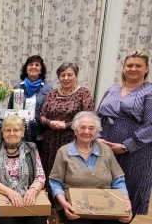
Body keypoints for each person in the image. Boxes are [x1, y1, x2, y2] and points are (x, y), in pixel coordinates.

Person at [49, 111, 132, 224]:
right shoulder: (64, 152)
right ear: (75, 130)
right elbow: (55, 182)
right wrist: (64, 204)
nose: (87, 131)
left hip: (106, 206)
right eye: (82, 127)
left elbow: (118, 180)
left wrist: (126, 202)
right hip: (76, 207)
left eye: (91, 128)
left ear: (97, 131)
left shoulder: (106, 150)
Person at [96, 50, 152, 217]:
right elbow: (98, 116)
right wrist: (98, 137)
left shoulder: (149, 92)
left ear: (146, 69)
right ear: (123, 68)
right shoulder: (112, 90)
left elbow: (151, 125)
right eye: (129, 65)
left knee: (129, 187)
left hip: (135, 151)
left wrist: (125, 146)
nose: (133, 69)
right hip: (105, 148)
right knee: (105, 184)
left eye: (138, 66)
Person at [39, 62, 94, 192]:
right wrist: (50, 123)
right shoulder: (52, 93)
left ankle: (68, 201)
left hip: (72, 140)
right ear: (58, 77)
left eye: (70, 74)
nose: (66, 78)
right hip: (51, 141)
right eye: (62, 75)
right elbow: (42, 115)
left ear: (76, 76)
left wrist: (67, 125)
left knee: (70, 170)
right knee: (51, 170)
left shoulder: (83, 93)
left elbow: (88, 116)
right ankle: (51, 200)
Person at [0, 115, 47, 224]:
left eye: (16, 130)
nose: (12, 133)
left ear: (22, 132)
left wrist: (33, 190)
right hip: (2, 195)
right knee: (7, 222)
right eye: (8, 130)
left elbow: (40, 175)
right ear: (3, 133)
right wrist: (9, 192)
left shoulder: (31, 148)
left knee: (38, 221)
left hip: (28, 195)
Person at [7, 55, 53, 151]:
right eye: (31, 64)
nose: (33, 67)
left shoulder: (48, 88)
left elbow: (50, 111)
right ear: (26, 69)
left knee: (37, 160)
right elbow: (10, 108)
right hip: (19, 131)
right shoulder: (17, 87)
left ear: (41, 70)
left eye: (37, 65)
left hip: (40, 133)